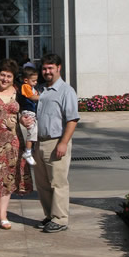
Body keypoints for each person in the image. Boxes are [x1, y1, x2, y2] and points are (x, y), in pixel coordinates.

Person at [0, 58, 32, 229]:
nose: (5, 79)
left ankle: (3, 214)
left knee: (9, 177)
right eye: (3, 75)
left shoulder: (18, 92)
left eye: (9, 76)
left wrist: (25, 121)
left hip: (12, 140)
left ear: (13, 77)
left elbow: (24, 113)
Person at [31, 53, 79, 233]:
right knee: (42, 184)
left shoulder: (67, 91)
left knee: (58, 182)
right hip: (39, 143)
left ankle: (60, 219)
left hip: (56, 142)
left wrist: (63, 143)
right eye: (44, 68)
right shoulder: (41, 90)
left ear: (59, 68)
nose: (47, 71)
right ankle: (50, 215)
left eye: (51, 68)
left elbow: (72, 119)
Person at [18, 65, 39, 166]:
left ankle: (31, 149)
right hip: (28, 111)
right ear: (26, 80)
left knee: (35, 130)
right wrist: (42, 97)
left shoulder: (30, 87)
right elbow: (31, 97)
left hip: (32, 112)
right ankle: (28, 152)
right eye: (33, 81)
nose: (35, 82)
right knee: (32, 131)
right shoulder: (25, 87)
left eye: (36, 80)